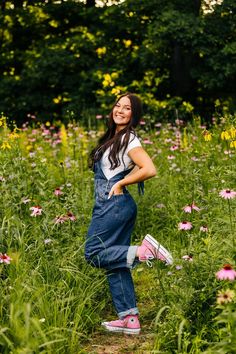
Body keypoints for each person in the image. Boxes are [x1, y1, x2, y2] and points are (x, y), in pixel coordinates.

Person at [85, 92, 173, 335]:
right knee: (117, 261)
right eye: (117, 105)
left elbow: (149, 168)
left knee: (94, 253)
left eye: (127, 108)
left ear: (134, 115)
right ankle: (129, 318)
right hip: (115, 206)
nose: (120, 110)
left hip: (113, 205)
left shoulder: (129, 139)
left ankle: (146, 252)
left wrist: (122, 183)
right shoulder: (115, 138)